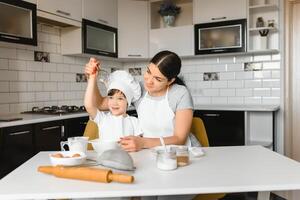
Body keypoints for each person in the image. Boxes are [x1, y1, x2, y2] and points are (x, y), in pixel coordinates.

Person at [84, 50, 199, 152]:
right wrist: (92, 77)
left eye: (158, 79)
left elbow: (179, 139)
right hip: (149, 153)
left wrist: (143, 142)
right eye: (148, 72)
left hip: (182, 153)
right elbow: (98, 104)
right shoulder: (138, 90)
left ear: (170, 81)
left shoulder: (180, 93)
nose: (149, 81)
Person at [84, 70, 142, 141]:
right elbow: (89, 106)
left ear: (128, 102)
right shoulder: (102, 119)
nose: (114, 103)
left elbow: (138, 142)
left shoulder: (134, 122)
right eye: (111, 98)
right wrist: (92, 78)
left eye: (120, 99)